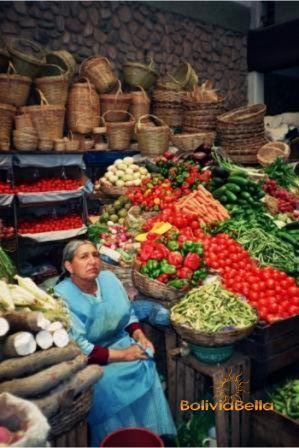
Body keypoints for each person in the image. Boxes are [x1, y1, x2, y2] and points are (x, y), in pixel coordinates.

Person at [55, 239, 176, 447]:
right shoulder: (62, 295)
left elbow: (128, 315)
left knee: (145, 361)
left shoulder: (109, 279)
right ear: (69, 266)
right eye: (84, 257)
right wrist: (124, 355)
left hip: (121, 343)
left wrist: (139, 336)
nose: (92, 261)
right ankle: (120, 439)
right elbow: (79, 346)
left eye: (95, 255)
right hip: (91, 359)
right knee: (106, 383)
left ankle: (153, 434)